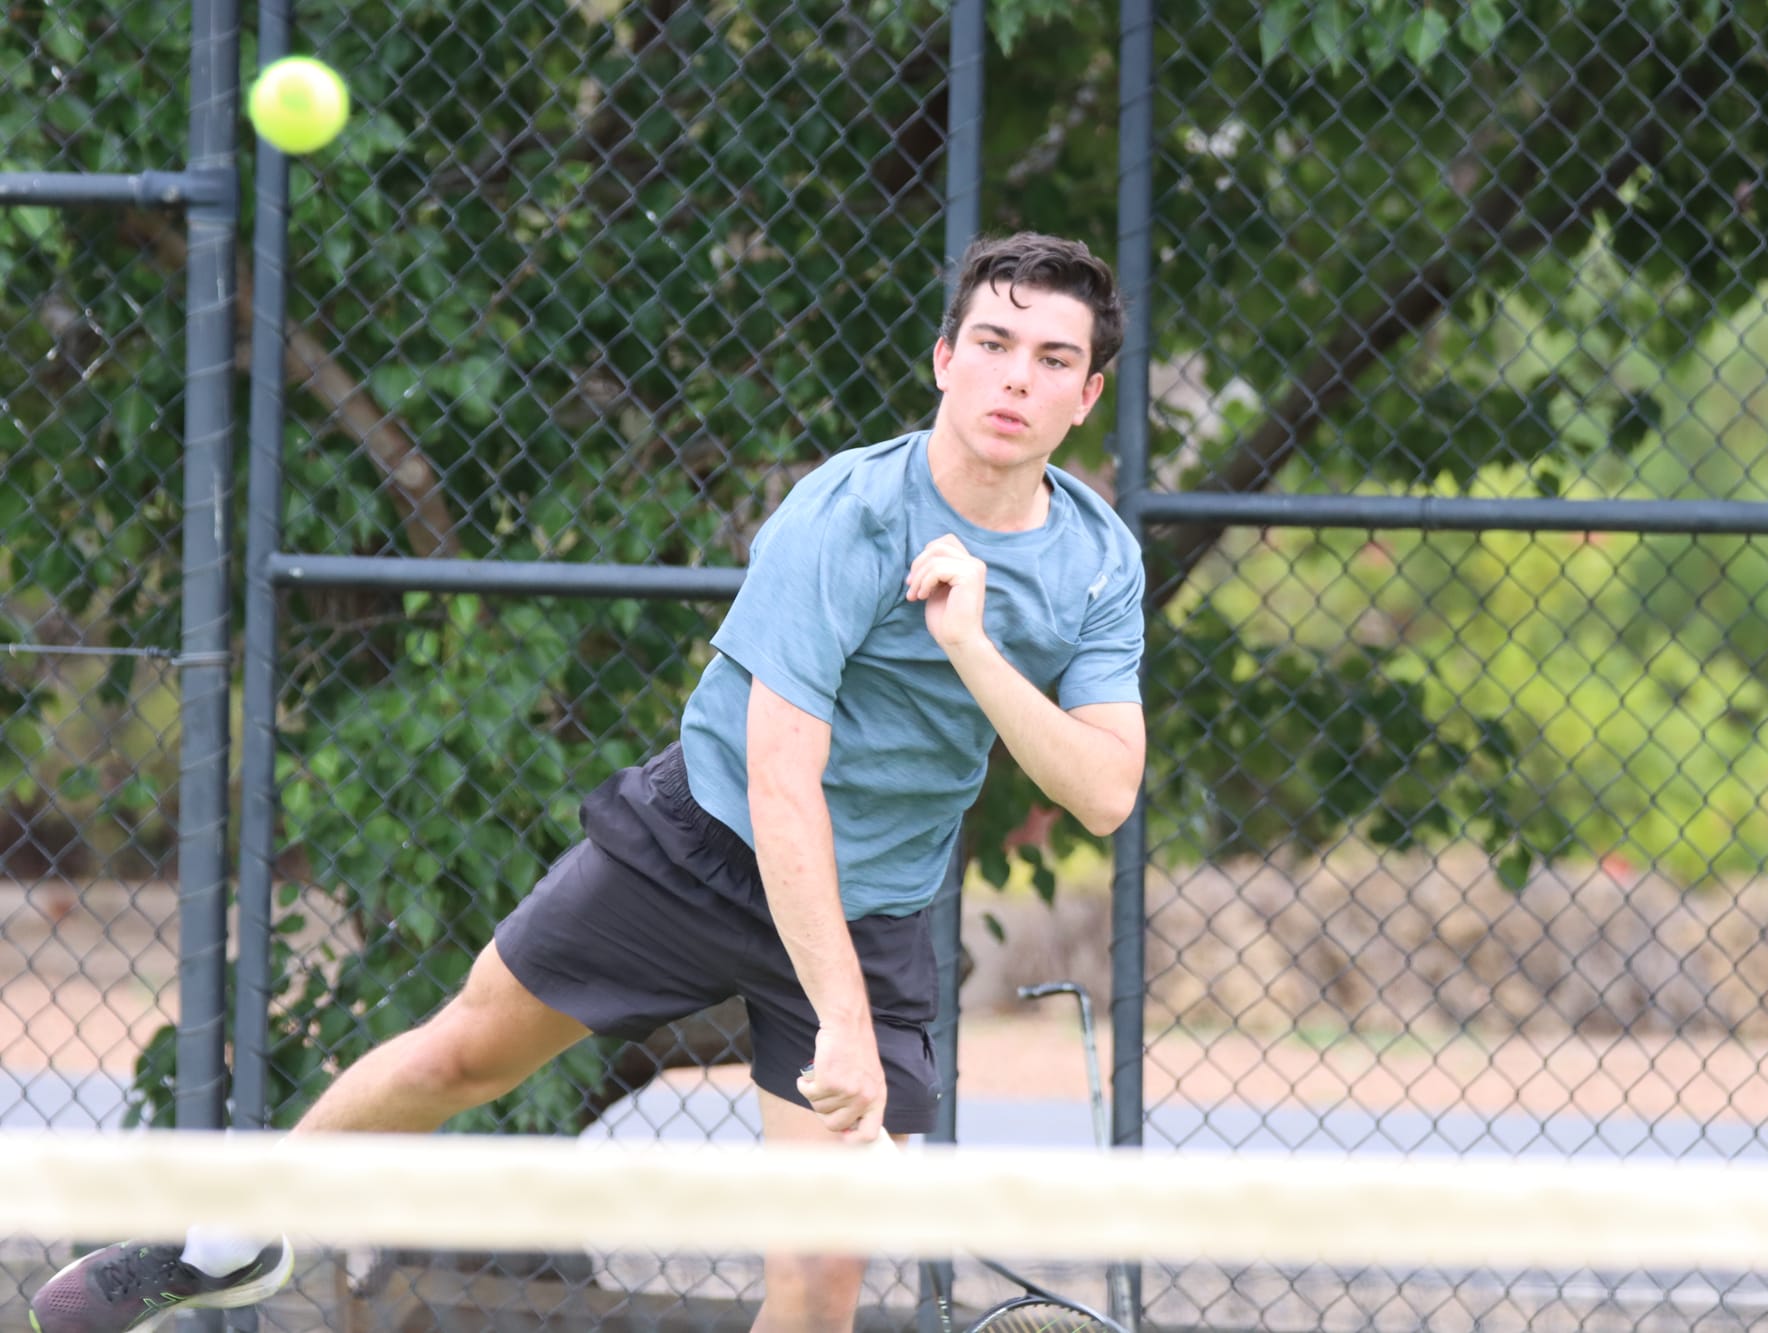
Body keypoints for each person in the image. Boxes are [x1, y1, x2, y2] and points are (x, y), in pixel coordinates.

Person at [31, 230, 1147, 1333]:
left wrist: (973, 650)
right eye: (993, 342)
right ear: (944, 359)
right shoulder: (842, 516)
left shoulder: (1096, 560)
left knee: (818, 1285)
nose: (1016, 375)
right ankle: (227, 1239)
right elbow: (779, 783)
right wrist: (843, 1024)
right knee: (464, 1052)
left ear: (1087, 394)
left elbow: (1102, 791)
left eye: (1052, 359)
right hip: (701, 846)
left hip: (876, 902)